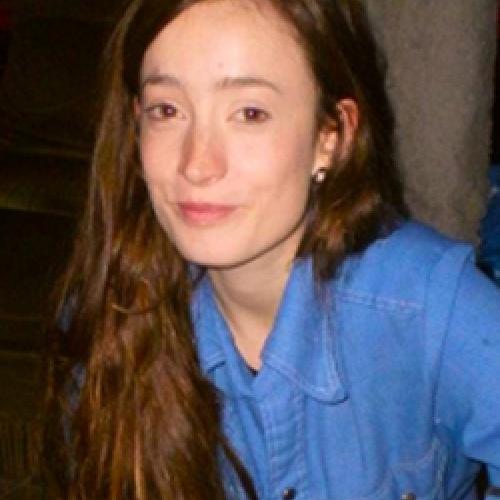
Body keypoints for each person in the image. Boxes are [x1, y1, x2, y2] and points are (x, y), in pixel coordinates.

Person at [43, 0, 500, 499]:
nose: (197, 164)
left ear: (331, 136)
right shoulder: (110, 322)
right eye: (167, 110)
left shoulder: (434, 307)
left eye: (249, 113)